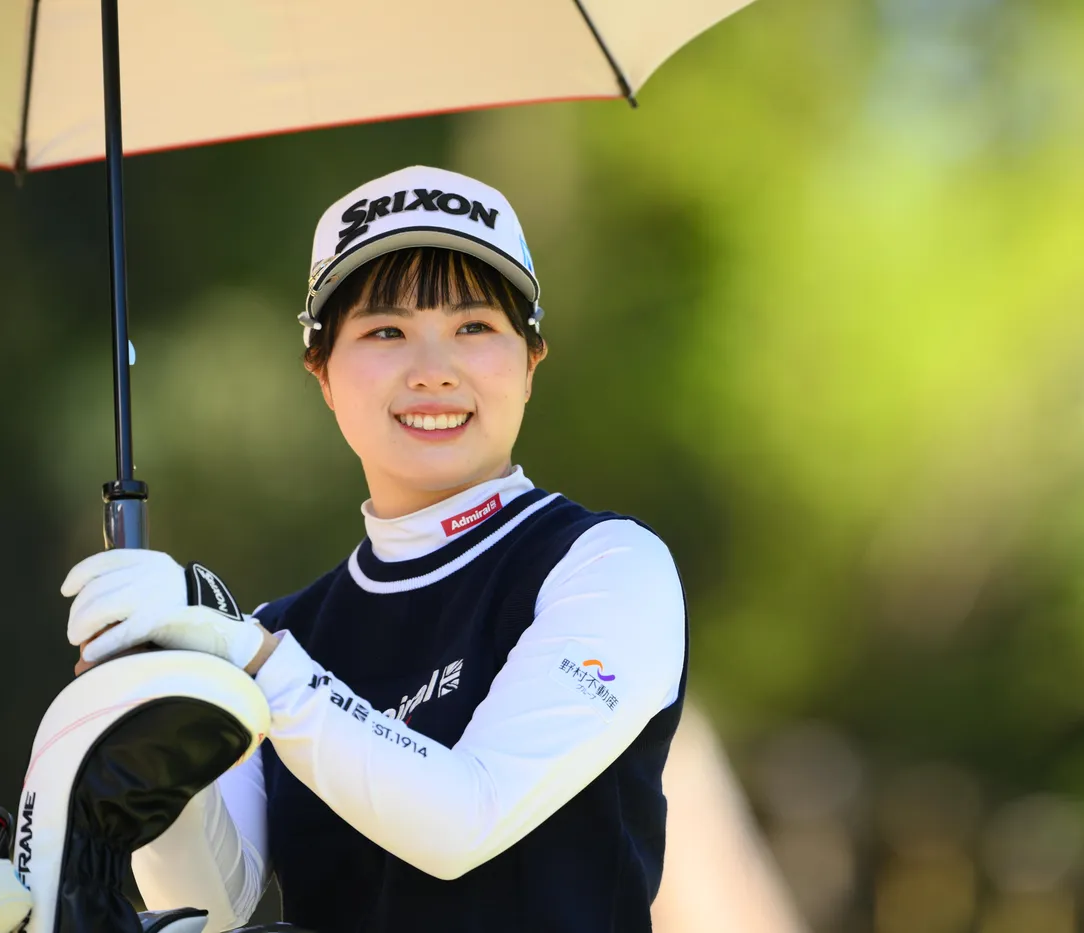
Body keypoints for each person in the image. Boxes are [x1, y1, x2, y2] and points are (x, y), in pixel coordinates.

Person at [58, 165, 689, 933]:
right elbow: (213, 903)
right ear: (321, 372)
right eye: (385, 331)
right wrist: (160, 722)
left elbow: (466, 820)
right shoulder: (284, 630)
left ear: (531, 361)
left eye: (474, 327)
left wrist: (262, 666)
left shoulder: (609, 568)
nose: (433, 372)